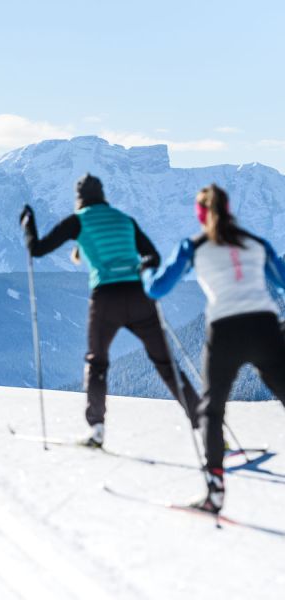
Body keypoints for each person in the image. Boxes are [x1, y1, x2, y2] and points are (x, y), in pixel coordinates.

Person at [20, 174, 200, 448]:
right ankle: (207, 427)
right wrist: (141, 270)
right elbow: (153, 256)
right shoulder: (125, 219)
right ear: (103, 196)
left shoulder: (78, 220)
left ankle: (97, 429)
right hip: (140, 297)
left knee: (97, 362)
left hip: (106, 299)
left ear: (79, 199)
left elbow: (37, 249)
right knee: (166, 365)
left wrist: (28, 223)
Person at [142, 183, 285, 513]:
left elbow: (157, 289)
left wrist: (146, 269)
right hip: (265, 327)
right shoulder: (255, 243)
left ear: (200, 214)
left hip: (225, 331)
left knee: (212, 408)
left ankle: (215, 491)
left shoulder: (193, 246)